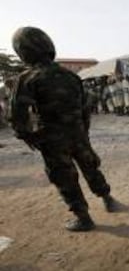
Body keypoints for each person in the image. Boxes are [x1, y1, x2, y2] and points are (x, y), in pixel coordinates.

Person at [10, 26, 117, 232]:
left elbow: (17, 116)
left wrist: (29, 137)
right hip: (78, 134)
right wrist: (83, 132)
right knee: (90, 166)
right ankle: (107, 198)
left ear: (23, 51)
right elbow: (85, 109)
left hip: (52, 139)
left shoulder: (27, 78)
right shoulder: (71, 76)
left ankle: (83, 218)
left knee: (64, 176)